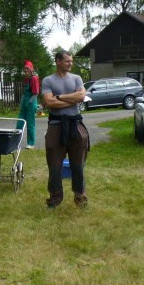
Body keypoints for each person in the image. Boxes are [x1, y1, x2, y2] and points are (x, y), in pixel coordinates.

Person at [41, 50, 89, 208]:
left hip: (75, 124)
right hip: (56, 126)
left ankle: (80, 198)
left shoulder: (76, 78)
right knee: (55, 166)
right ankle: (55, 199)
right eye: (68, 61)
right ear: (58, 61)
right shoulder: (48, 80)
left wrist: (59, 97)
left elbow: (81, 97)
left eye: (71, 61)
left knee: (78, 166)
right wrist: (71, 98)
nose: (70, 64)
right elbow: (49, 103)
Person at [17, 59, 40, 149]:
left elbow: (36, 93)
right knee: (19, 123)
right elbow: (24, 93)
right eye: (24, 69)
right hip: (24, 104)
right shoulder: (26, 79)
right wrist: (21, 103)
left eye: (27, 68)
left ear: (31, 69)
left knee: (30, 125)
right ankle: (15, 142)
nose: (25, 70)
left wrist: (29, 103)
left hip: (31, 104)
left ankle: (31, 143)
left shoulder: (34, 78)